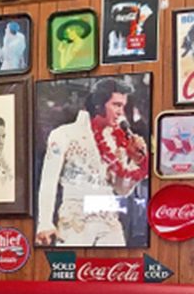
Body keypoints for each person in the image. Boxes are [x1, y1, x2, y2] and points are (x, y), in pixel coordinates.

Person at [36, 78, 148, 247]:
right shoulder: (64, 134)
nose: (121, 112)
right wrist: (44, 222)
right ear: (99, 104)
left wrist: (135, 161)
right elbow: (48, 180)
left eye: (123, 106)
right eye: (116, 105)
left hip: (109, 221)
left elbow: (122, 189)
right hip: (75, 220)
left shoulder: (117, 141)